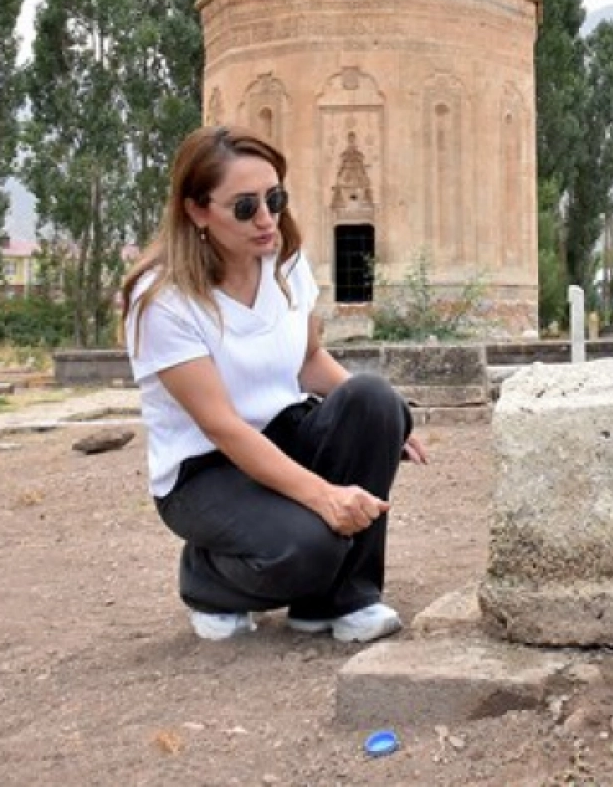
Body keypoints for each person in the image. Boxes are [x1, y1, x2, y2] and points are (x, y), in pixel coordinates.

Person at [123, 126, 427, 641]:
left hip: (284, 431)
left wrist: (388, 421)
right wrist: (323, 496)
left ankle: (340, 600)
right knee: (311, 546)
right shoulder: (163, 300)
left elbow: (309, 360)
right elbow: (222, 426)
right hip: (205, 470)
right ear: (198, 211)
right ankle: (206, 579)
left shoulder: (284, 259)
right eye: (244, 208)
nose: (267, 219)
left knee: (376, 399)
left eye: (275, 199)